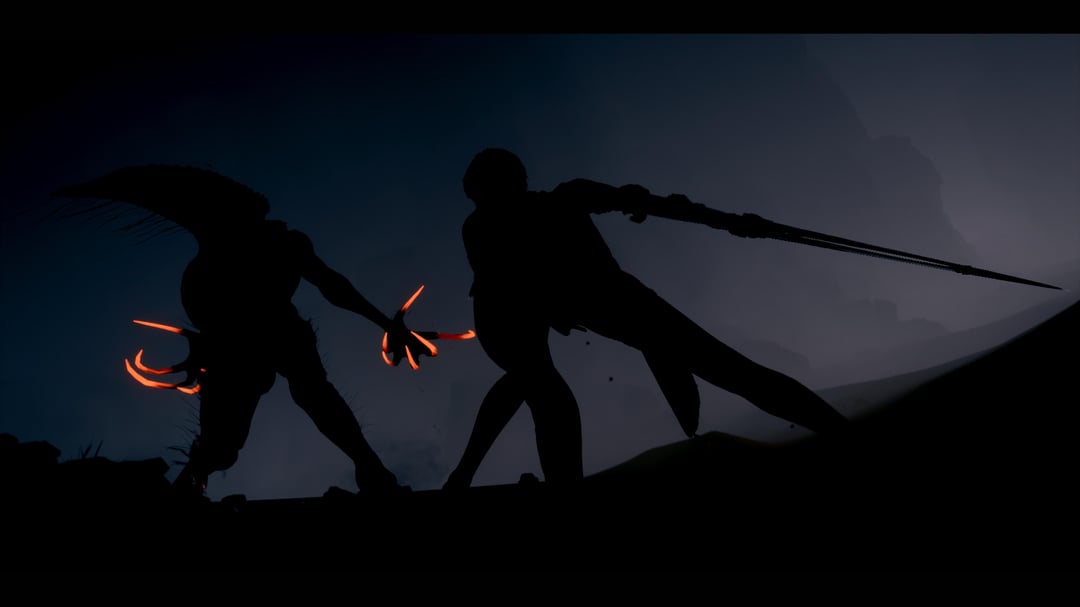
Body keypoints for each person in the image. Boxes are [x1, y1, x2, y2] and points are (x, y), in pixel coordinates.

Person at [444, 148, 849, 489]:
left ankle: (841, 432)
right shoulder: (490, 225)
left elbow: (643, 203)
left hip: (616, 304)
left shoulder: (548, 204)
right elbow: (510, 284)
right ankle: (496, 479)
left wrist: (726, 221)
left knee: (730, 370)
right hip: (588, 309)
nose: (482, 199)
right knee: (545, 390)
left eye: (484, 189)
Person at [55, 165, 431, 498]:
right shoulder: (234, 244)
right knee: (231, 436)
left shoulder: (277, 243)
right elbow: (331, 285)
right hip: (234, 337)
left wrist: (387, 324)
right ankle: (192, 481)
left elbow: (332, 285)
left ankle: (370, 469)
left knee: (307, 394)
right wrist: (386, 324)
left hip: (262, 331)